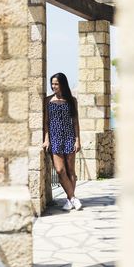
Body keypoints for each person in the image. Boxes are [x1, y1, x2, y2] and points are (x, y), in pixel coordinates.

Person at [43, 72, 83, 211]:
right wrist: (46, 139)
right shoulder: (48, 100)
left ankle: (69, 200)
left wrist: (77, 140)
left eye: (56, 84)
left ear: (62, 85)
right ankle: (73, 198)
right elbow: (46, 122)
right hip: (55, 138)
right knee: (60, 170)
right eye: (52, 84)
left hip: (69, 137)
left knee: (70, 170)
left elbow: (75, 122)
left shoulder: (72, 100)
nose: (54, 86)